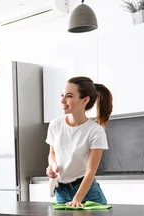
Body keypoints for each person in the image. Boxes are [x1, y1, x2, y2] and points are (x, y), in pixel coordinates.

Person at [45, 76, 114, 207]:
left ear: (85, 100)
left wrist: (78, 198)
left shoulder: (95, 131)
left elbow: (90, 170)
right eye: (62, 95)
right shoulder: (55, 125)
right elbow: (52, 153)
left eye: (69, 96)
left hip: (87, 193)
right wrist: (52, 166)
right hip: (61, 191)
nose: (62, 101)